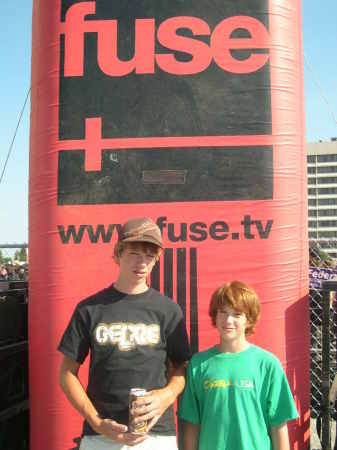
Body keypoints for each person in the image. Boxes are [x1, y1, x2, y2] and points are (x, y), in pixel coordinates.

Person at [58, 217, 190, 450]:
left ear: (157, 260)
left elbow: (181, 369)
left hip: (156, 434)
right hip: (101, 435)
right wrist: (95, 420)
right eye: (134, 254)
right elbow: (67, 374)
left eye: (149, 256)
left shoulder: (169, 310)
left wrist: (165, 396)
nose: (142, 263)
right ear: (118, 254)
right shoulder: (89, 309)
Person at [178, 281, 298, 450]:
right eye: (223, 313)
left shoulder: (268, 365)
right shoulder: (198, 365)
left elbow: (278, 424)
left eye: (237, 314)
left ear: (248, 319)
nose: (228, 320)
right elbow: (191, 423)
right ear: (215, 316)